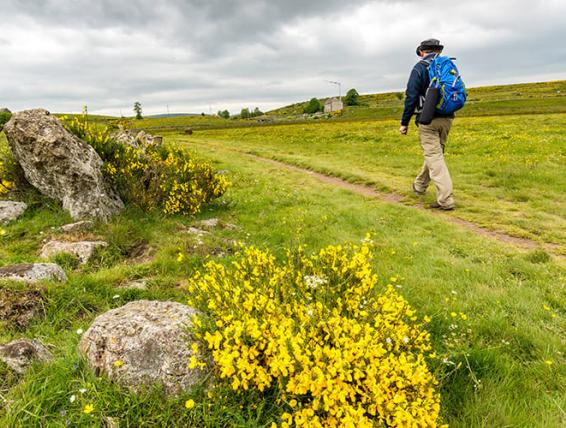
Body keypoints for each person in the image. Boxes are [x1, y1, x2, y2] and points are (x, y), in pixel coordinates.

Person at [399, 38, 455, 210]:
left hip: (427, 119)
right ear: (438, 50)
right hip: (447, 118)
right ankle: (420, 185)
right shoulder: (447, 66)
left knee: (434, 157)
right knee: (435, 154)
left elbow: (411, 97)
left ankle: (446, 200)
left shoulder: (420, 67)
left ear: (422, 51)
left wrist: (404, 122)